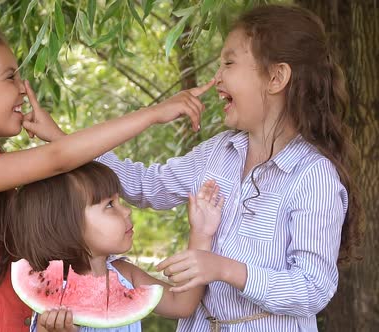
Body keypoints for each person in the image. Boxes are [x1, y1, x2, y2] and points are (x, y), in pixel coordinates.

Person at [40, 4, 362, 332]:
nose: (217, 77)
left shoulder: (314, 177)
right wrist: (60, 141)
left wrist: (224, 269)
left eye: (229, 63)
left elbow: (312, 288)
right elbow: (144, 185)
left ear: (276, 77)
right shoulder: (217, 152)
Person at [0, 24, 215, 331]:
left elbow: (65, 187)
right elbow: (58, 160)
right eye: (10, 77)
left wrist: (56, 134)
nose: (23, 90)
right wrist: (153, 114)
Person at [7, 161, 224, 332]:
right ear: (64, 225)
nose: (127, 211)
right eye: (110, 205)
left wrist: (201, 233)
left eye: (119, 201)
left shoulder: (124, 272)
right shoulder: (52, 297)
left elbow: (181, 304)